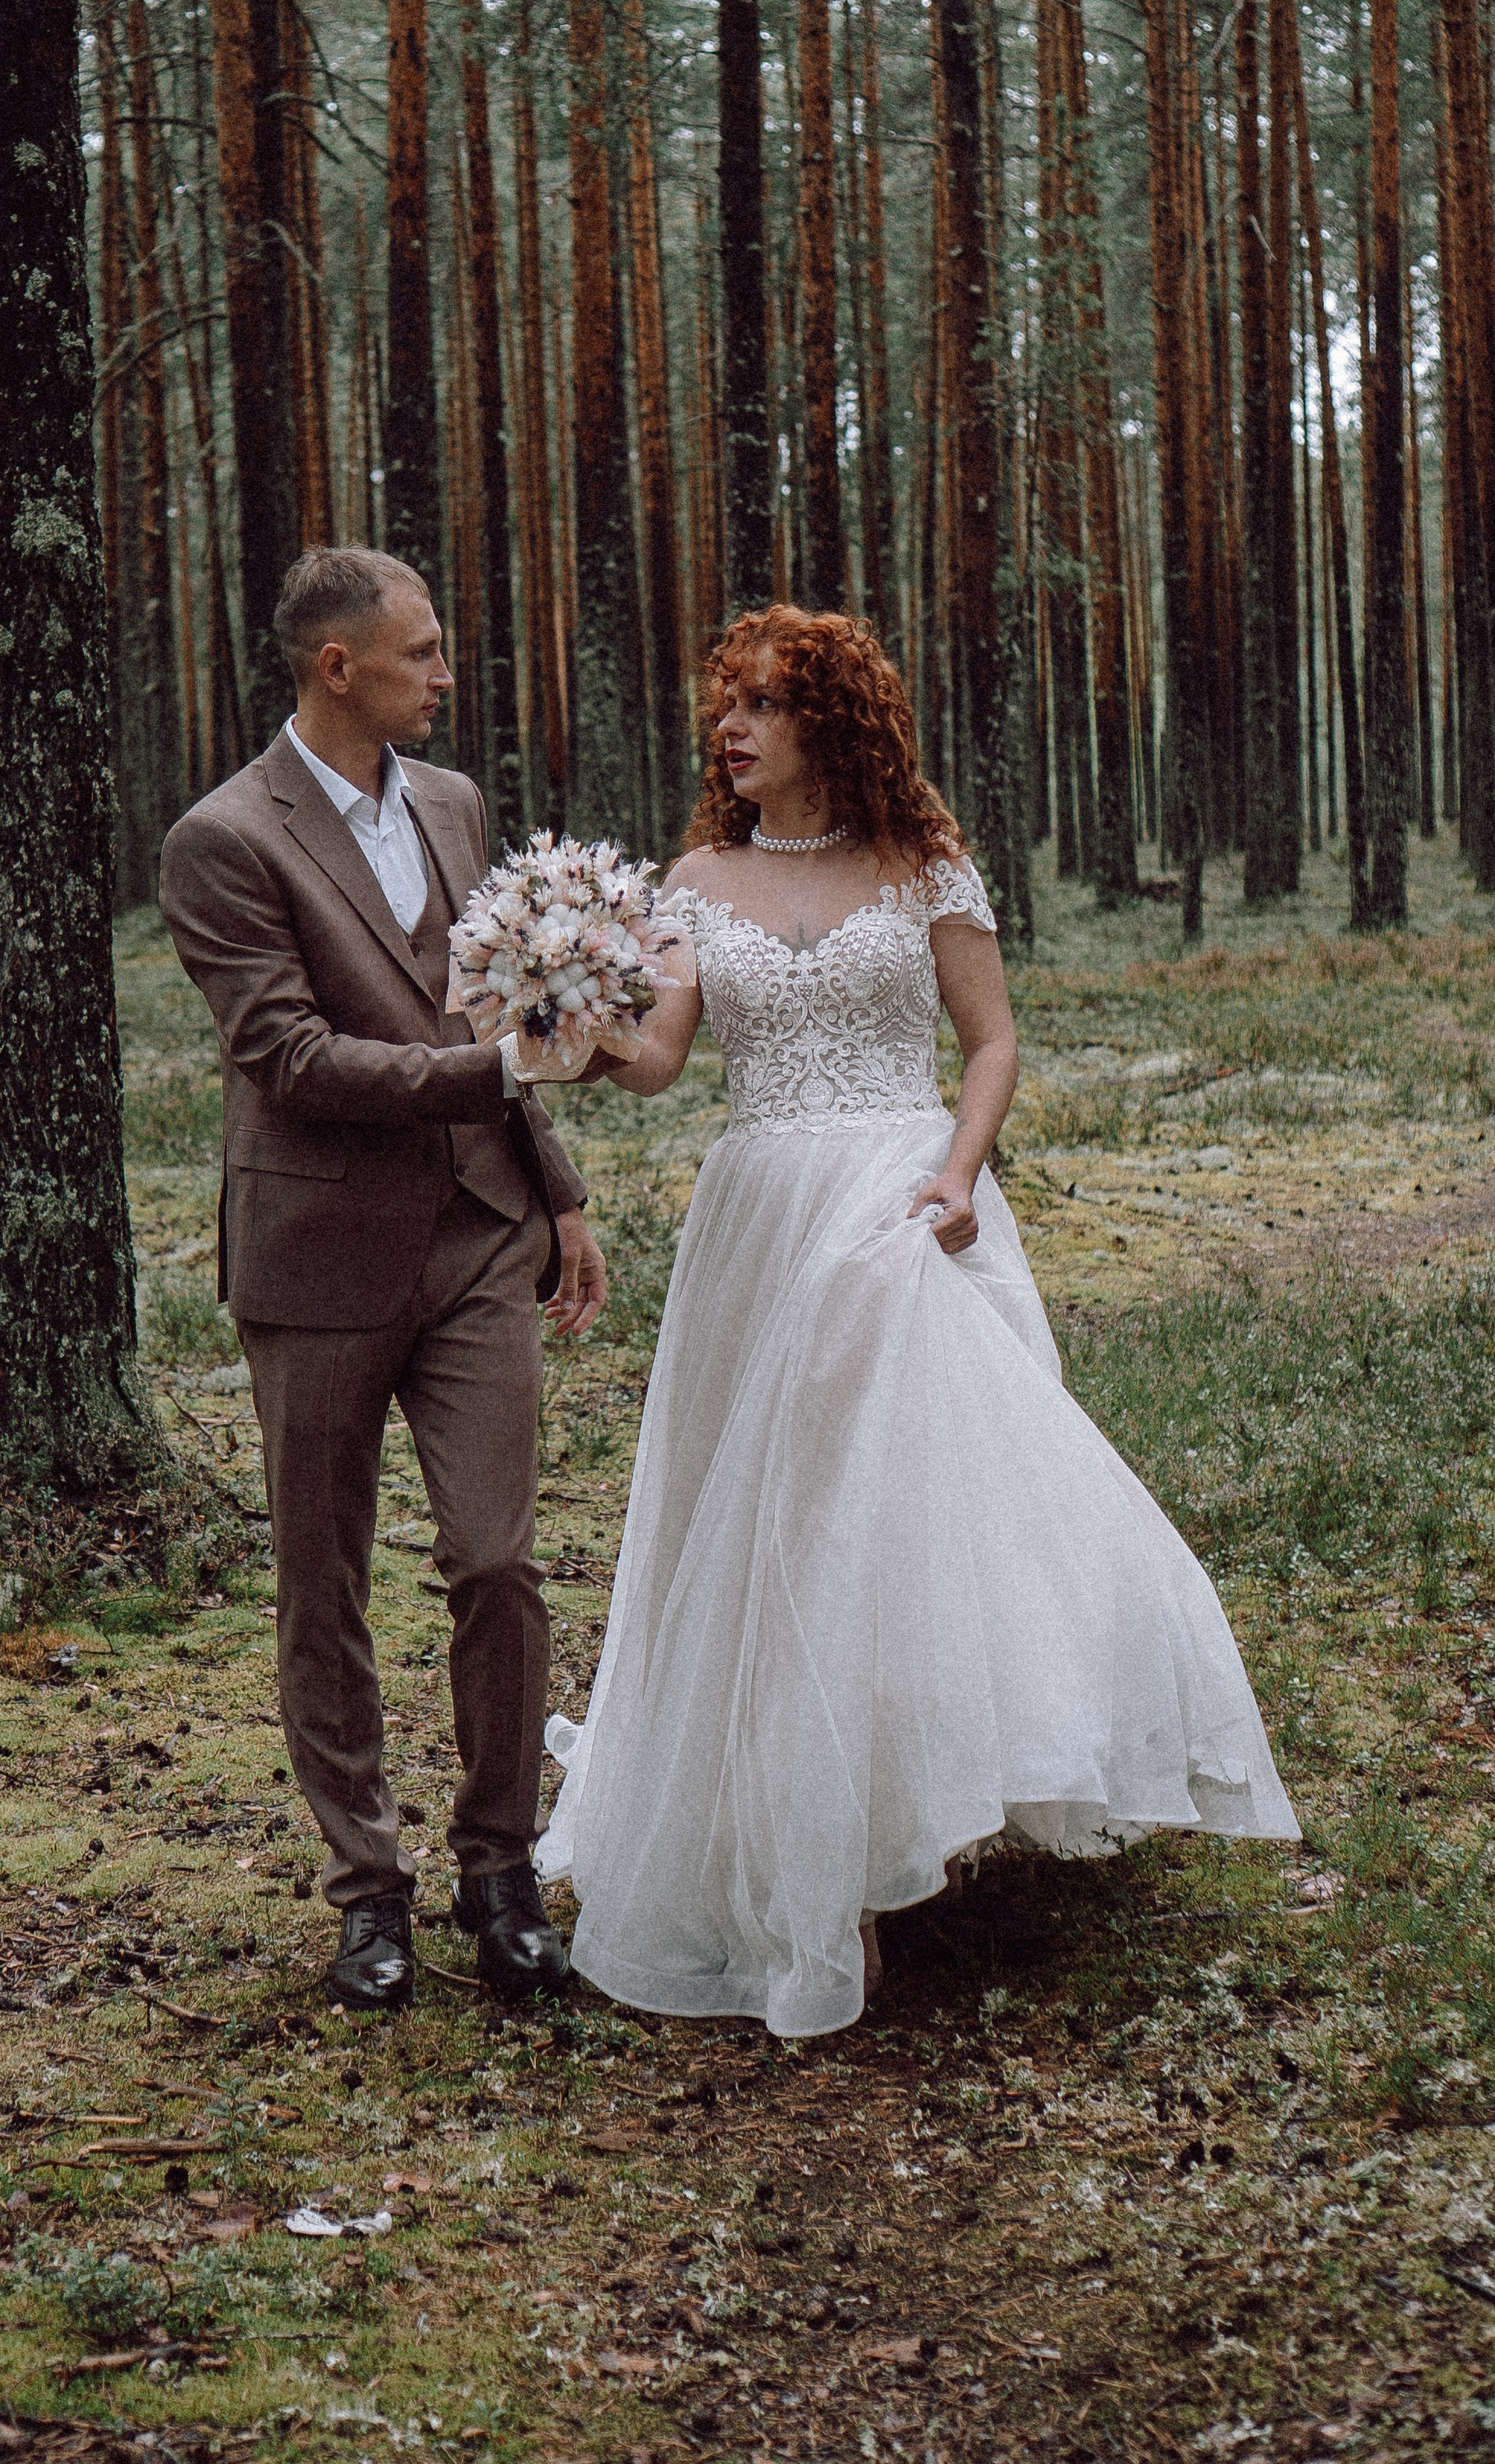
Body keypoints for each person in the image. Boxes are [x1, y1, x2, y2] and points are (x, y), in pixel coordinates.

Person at [538, 605, 1298, 2038]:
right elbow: (655, 1062)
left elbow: (991, 1039)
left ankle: (902, 1828)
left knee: (896, 1517)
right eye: (727, 704)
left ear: (835, 719)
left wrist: (957, 1174)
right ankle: (807, 1863)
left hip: (900, 1205)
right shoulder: (696, 876)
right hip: (760, 1217)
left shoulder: (923, 863)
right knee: (769, 1520)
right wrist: (564, 1023)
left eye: (764, 702)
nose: (733, 727)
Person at [160, 545, 608, 2013]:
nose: (445, 669)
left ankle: (500, 1866)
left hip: (482, 1234)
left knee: (496, 1559)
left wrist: (559, 1191)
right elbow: (288, 1060)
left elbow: (498, 1009)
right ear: (335, 668)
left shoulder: (458, 805)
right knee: (322, 1586)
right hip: (318, 1259)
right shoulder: (224, 840)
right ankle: (368, 1890)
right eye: (421, 651)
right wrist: (486, 1070)